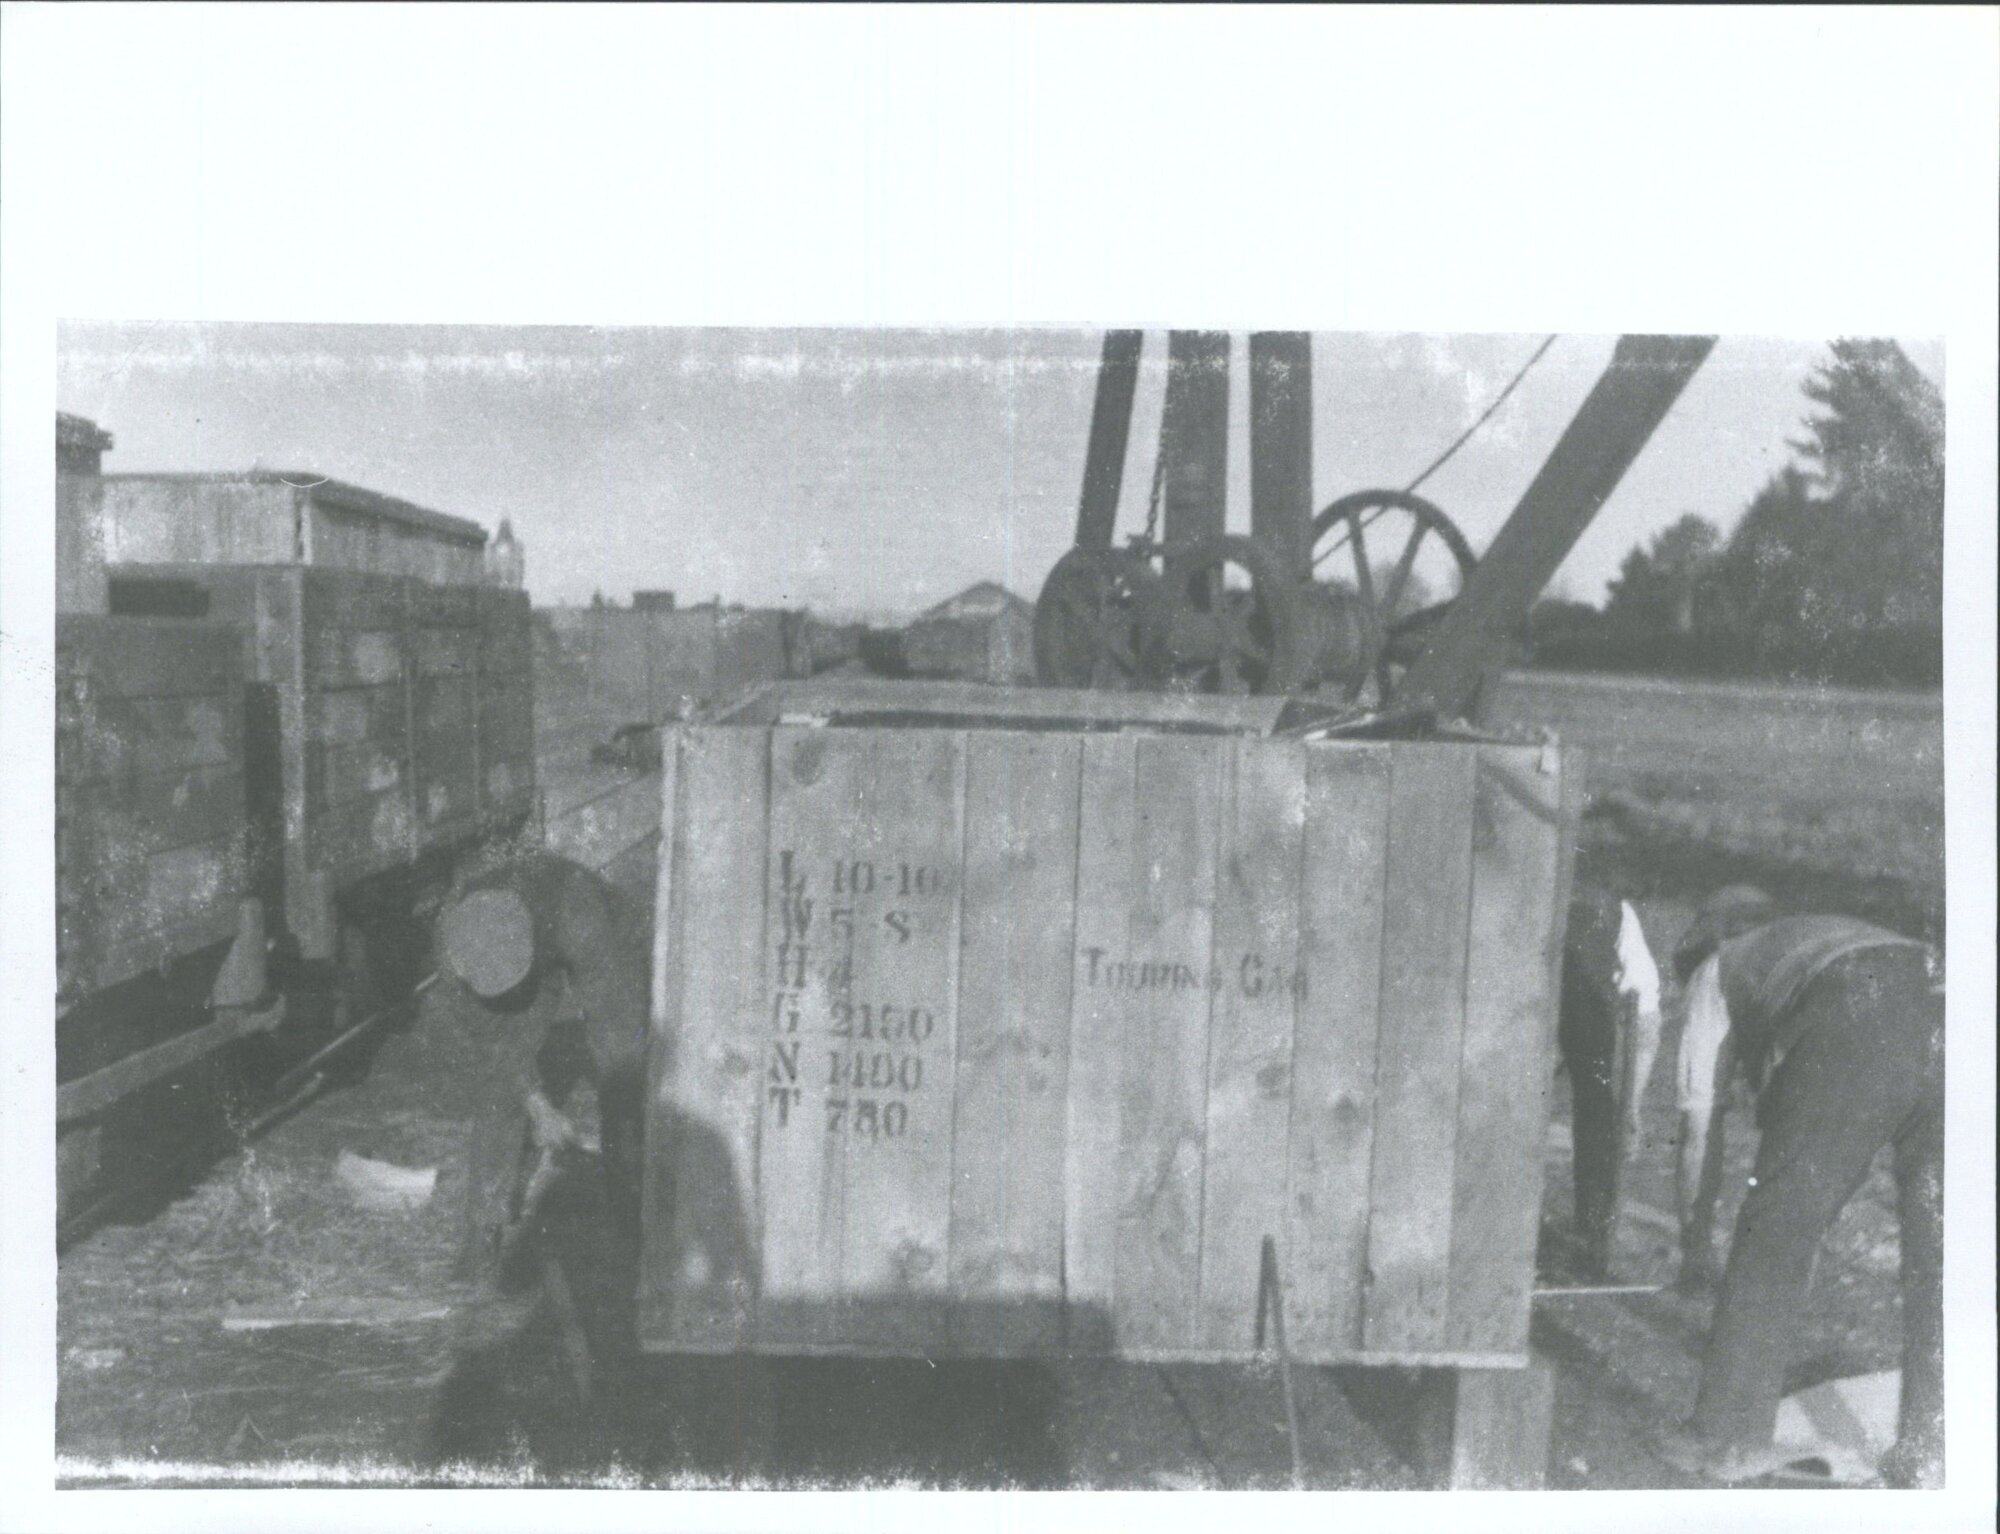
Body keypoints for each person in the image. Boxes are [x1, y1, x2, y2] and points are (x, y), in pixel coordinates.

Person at [1659, 899, 1944, 1488]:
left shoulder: (1717, 972)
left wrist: (1695, 1247)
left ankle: (1724, 1436)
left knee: (1776, 1227)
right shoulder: (1805, 940)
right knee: (1941, 1249)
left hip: (1862, 1013)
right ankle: (1929, 1447)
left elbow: (1697, 1130)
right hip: (1945, 1008)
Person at [436, 848, 650, 1288]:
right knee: (499, 1091)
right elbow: (495, 1046)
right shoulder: (453, 953)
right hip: (527, 946)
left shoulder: (581, 912)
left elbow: (613, 1013)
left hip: (588, 930)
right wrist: (538, 1106)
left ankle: (631, 1215)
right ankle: (482, 1233)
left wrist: (615, 1054)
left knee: (620, 1065)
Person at [1557, 883, 1664, 1276]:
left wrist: (1631, 1103)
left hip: (1590, 1006)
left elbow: (1645, 1010)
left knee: (1600, 1112)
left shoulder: (1611, 910)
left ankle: (1593, 1235)